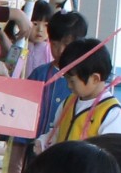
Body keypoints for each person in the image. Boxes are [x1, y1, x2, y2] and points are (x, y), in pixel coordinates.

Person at [40, 37, 121, 144]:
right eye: (66, 79)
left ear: (95, 79)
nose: (69, 85)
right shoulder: (68, 102)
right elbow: (56, 133)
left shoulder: (112, 112)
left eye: (72, 81)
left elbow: (110, 150)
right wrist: (42, 142)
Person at [28, 8, 88, 139]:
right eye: (54, 44)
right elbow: (25, 112)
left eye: (66, 45)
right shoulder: (39, 74)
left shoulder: (85, 78)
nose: (60, 50)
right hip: (36, 145)